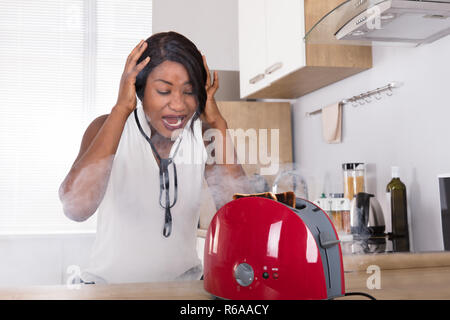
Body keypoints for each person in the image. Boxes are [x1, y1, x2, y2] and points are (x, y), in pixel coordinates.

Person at [59, 31, 252, 284]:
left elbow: (243, 221)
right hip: (111, 290)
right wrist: (121, 109)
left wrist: (216, 121)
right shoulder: (106, 128)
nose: (179, 105)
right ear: (138, 89)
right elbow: (76, 208)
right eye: (164, 91)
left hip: (184, 289)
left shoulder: (205, 136)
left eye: (189, 91)